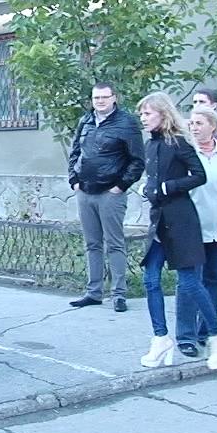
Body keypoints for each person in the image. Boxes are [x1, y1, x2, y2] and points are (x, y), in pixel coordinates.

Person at [134, 93, 217, 371]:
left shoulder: (178, 142)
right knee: (150, 279)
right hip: (159, 220)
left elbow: (199, 175)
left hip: (181, 220)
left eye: (147, 113)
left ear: (163, 114)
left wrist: (168, 187)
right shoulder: (150, 145)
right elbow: (152, 178)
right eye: (142, 114)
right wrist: (148, 189)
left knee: (190, 281)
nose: (143, 118)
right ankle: (160, 338)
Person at [67, 82, 146, 312]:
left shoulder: (126, 123)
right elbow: (75, 152)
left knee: (114, 243)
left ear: (114, 98)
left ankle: (118, 294)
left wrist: (120, 186)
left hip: (111, 193)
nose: (100, 101)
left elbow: (137, 160)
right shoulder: (86, 121)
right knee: (92, 243)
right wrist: (74, 180)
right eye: (96, 98)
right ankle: (93, 292)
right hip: (85, 190)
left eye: (104, 97)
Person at [175, 106, 217, 357]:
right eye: (191, 123)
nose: (193, 127)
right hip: (192, 228)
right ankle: (186, 336)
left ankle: (206, 331)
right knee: (190, 282)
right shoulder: (185, 153)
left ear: (213, 126)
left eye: (199, 123)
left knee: (215, 280)